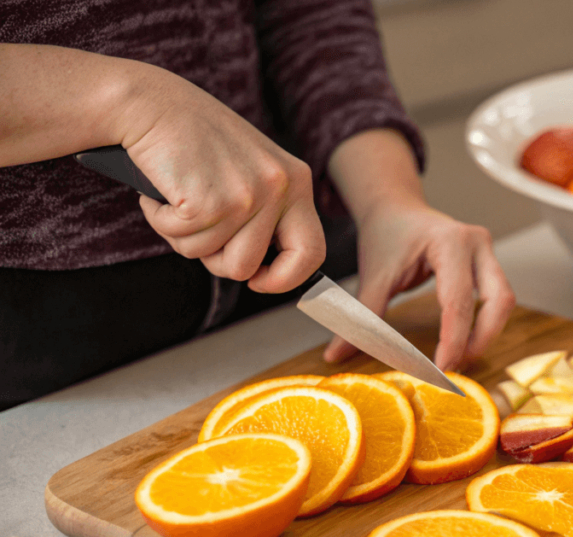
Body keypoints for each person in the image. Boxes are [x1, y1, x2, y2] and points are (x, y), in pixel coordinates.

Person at [0, 0, 516, 411]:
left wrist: (388, 198)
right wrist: (123, 100)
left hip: (290, 244)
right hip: (39, 338)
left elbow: (310, 13)